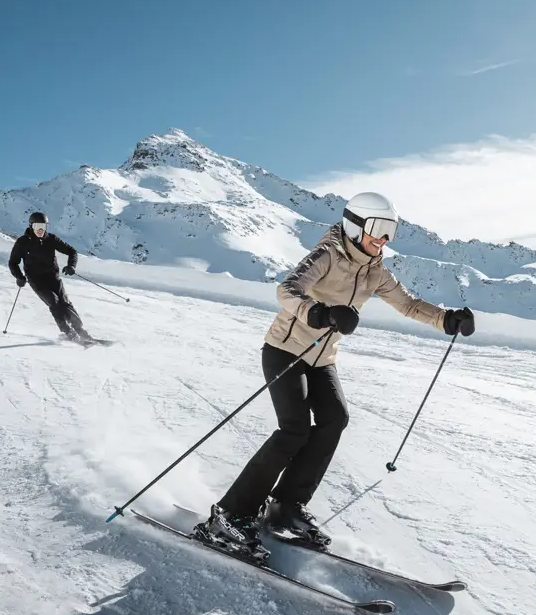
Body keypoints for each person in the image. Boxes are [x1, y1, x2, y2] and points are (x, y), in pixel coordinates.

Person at [195, 192, 476, 558]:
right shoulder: (328, 255)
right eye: (378, 228)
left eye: (391, 231)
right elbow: (287, 289)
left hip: (322, 358)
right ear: (355, 225)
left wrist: (446, 318)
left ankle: (285, 506)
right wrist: (320, 313)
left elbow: (407, 304)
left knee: (334, 419)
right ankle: (229, 515)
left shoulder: (376, 271)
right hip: (286, 350)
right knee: (293, 429)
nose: (384, 239)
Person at [8, 212, 92, 341]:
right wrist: (19, 276)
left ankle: (80, 330)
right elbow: (13, 262)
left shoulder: (51, 239)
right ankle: (68, 332)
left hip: (53, 276)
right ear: (31, 226)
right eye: (37, 226)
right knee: (53, 301)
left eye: (43, 226)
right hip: (36, 279)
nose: (40, 229)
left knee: (64, 302)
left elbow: (72, 251)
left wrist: (71, 266)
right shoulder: (23, 242)